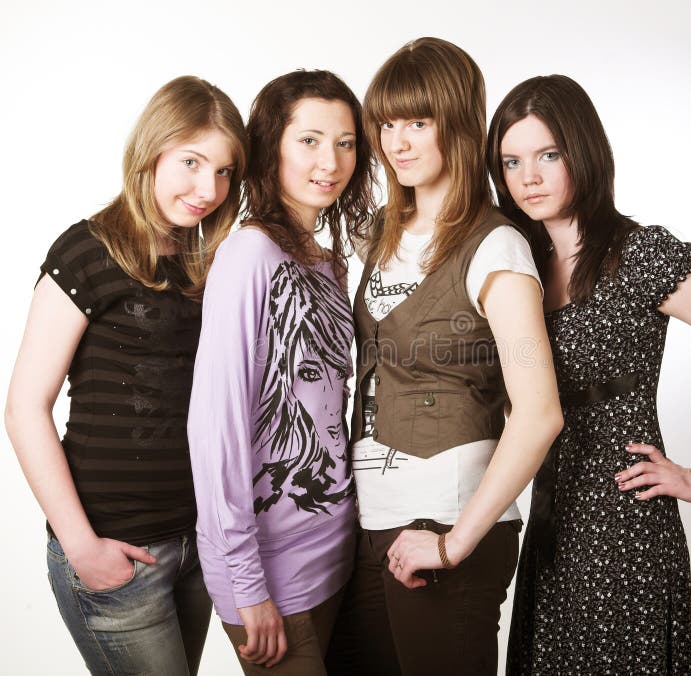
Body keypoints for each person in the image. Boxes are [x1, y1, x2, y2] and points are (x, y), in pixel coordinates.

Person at [488, 74, 691, 675]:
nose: (529, 177)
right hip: (552, 518)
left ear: (583, 151)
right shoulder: (518, 265)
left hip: (624, 525)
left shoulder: (638, 253)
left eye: (548, 155)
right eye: (512, 161)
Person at [325, 38, 564, 676]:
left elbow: (540, 412)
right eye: (387, 123)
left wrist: (456, 545)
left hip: (448, 523)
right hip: (370, 522)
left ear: (456, 124)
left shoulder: (497, 246)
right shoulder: (382, 230)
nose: (397, 142)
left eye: (418, 122)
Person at [5, 75, 248, 675]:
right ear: (151, 150)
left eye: (223, 173)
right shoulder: (87, 251)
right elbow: (24, 407)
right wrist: (82, 547)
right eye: (191, 162)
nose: (207, 188)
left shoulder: (206, 263)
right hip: (119, 551)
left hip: (196, 545)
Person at [187, 69, 375, 675]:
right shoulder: (249, 255)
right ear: (271, 147)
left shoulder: (326, 260)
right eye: (310, 140)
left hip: (334, 544)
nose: (331, 161)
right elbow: (216, 425)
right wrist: (247, 584)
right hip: (266, 565)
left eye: (346, 142)